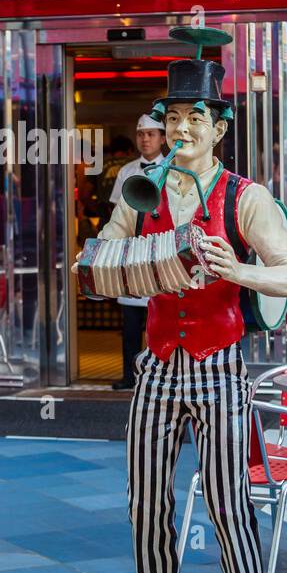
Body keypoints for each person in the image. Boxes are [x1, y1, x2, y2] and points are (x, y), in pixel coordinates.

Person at [90, 27, 287, 573]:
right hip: (155, 365)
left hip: (218, 365)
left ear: (219, 128)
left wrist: (235, 267)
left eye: (194, 119)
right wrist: (127, 259)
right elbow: (102, 256)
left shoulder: (245, 196)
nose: (181, 128)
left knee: (229, 508)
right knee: (146, 507)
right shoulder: (139, 190)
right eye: (172, 118)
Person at [108, 112, 166, 391]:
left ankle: (159, 377)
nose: (145, 139)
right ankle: (129, 376)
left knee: (160, 321)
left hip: (160, 255)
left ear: (163, 138)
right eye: (141, 134)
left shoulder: (174, 168)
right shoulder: (126, 171)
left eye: (151, 134)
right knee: (131, 323)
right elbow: (115, 216)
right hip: (131, 255)